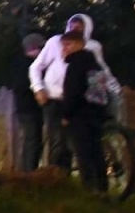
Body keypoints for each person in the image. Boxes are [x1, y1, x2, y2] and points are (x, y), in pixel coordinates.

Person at [30, 14, 120, 170]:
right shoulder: (55, 42)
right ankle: (57, 180)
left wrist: (116, 89)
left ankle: (85, 184)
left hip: (78, 101)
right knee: (57, 143)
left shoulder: (93, 47)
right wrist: (38, 88)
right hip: (54, 99)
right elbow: (36, 67)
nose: (75, 29)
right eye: (72, 26)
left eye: (79, 27)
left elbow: (102, 71)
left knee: (80, 143)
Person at [59, 29, 113, 193]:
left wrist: (66, 114)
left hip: (80, 115)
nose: (64, 49)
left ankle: (88, 191)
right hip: (96, 114)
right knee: (97, 153)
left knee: (83, 154)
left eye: (67, 45)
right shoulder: (94, 64)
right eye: (63, 46)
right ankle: (102, 189)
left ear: (79, 44)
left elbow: (73, 92)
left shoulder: (76, 64)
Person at [13, 33, 46, 171]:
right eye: (40, 47)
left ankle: (27, 170)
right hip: (29, 109)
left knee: (30, 141)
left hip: (25, 109)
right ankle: (29, 171)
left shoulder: (20, 63)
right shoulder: (28, 65)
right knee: (32, 141)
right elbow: (23, 85)